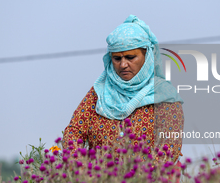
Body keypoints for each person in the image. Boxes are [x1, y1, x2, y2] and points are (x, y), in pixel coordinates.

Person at [63, 15, 184, 163]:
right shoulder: (99, 92)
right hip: (100, 182)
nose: (123, 65)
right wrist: (82, 170)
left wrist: (134, 180)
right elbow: (73, 132)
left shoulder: (164, 96)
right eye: (117, 58)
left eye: (130, 57)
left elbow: (169, 149)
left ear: (147, 56)